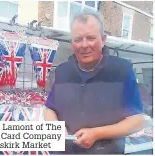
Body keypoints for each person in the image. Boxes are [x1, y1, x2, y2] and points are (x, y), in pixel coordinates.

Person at [44, 9, 145, 154]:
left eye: (90, 38)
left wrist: (97, 133)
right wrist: (56, 129)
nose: (84, 45)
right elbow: (50, 109)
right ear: (72, 43)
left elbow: (137, 121)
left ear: (103, 40)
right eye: (78, 39)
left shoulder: (122, 70)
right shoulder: (62, 71)